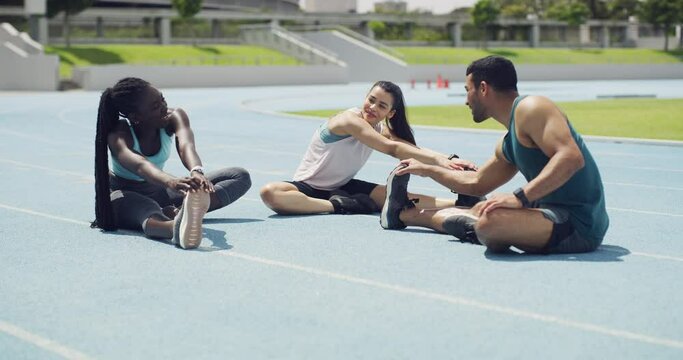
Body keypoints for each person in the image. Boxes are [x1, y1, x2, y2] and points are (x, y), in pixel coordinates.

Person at [381, 56, 609, 254]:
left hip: (578, 224)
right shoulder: (509, 141)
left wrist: (519, 198)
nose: (466, 100)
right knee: (487, 212)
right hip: (544, 215)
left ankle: (481, 226)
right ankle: (405, 215)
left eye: (467, 91)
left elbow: (571, 157)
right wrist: (428, 169)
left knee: (491, 220)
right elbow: (477, 184)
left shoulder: (532, 107)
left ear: (483, 88)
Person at [260, 80, 481, 216]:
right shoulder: (348, 119)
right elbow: (391, 148)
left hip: (344, 186)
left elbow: (407, 147)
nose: (373, 107)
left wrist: (449, 159)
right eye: (371, 99)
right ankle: (339, 206)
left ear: (391, 113)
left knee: (400, 196)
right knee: (270, 193)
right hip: (308, 187)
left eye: (382, 105)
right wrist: (443, 162)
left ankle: (462, 204)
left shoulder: (378, 127)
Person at [91, 77, 251, 249]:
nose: (164, 107)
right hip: (125, 197)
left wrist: (196, 172)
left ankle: (187, 211)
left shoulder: (174, 117)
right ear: (136, 117)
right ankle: (174, 227)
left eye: (163, 99)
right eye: (155, 106)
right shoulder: (119, 133)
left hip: (161, 192)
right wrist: (171, 181)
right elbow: (140, 165)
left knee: (239, 176)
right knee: (147, 209)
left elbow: (186, 146)